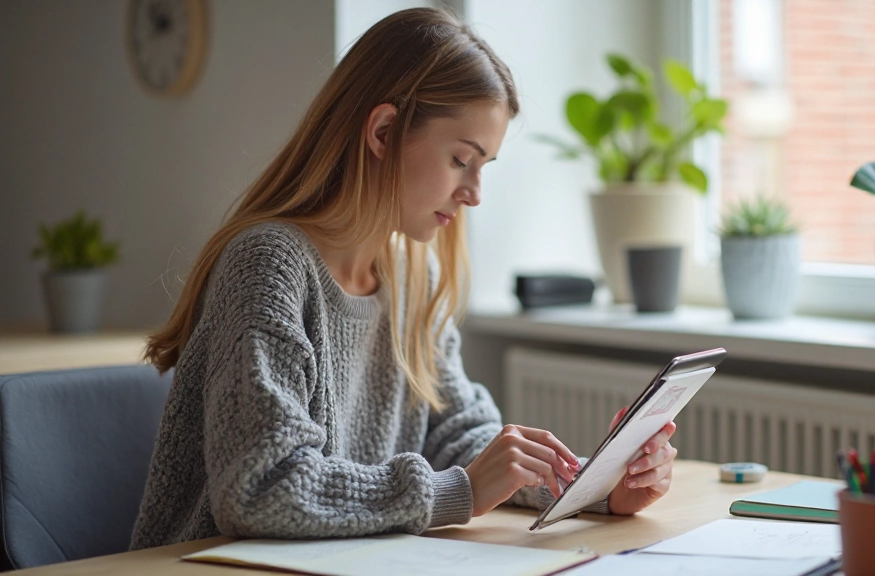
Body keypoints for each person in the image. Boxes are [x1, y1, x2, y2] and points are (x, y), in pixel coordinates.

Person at [130, 7, 677, 551]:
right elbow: (262, 487)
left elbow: (458, 435)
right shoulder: (269, 265)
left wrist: (595, 485)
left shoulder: (414, 273)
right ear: (385, 131)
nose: (474, 193)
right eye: (463, 159)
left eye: (484, 168)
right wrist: (454, 491)